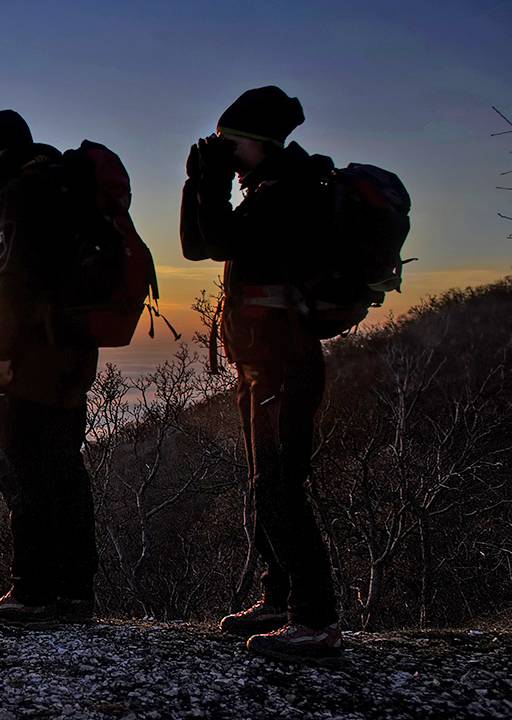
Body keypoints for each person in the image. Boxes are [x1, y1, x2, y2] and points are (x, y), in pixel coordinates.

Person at [180, 86, 342, 662]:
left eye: (230, 142)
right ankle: (280, 599)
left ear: (259, 141)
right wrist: (198, 180)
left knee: (280, 486)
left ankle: (314, 619)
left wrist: (209, 180)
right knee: (264, 484)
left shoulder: (290, 192)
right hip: (263, 360)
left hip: (285, 360)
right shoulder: (268, 190)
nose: (222, 150)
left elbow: (222, 238)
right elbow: (198, 245)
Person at [0, 109, 100, 625]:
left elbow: (13, 292)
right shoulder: (62, 189)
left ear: (4, 149)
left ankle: (33, 592)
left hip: (31, 359)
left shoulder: (20, 199)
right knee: (65, 468)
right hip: (72, 353)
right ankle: (74, 592)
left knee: (24, 471)